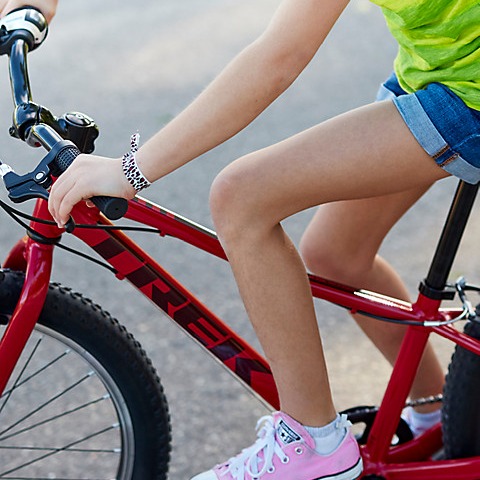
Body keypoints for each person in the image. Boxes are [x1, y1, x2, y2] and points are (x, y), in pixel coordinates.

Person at [47, 0, 479, 479]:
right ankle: (437, 417)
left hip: (470, 91)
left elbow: (279, 56)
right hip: (437, 70)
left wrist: (132, 169)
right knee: (336, 257)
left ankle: (315, 444)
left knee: (240, 197)